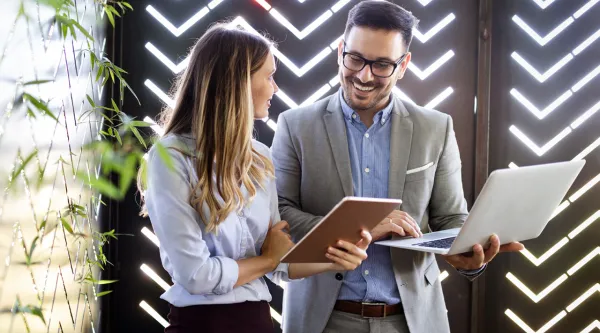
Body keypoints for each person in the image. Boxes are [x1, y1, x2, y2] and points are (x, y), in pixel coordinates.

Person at [271, 2, 524, 333]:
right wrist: (364, 227)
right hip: (322, 320)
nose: (364, 75)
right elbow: (278, 216)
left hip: (413, 321)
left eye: (382, 65)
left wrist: (468, 256)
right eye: (356, 58)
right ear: (340, 51)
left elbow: (451, 219)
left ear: (403, 64)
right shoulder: (295, 125)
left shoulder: (436, 128)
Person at [139, 23, 372, 333]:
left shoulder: (260, 157)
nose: (275, 88)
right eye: (269, 76)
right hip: (202, 325)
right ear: (236, 83)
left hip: (259, 323)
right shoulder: (170, 158)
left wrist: (336, 258)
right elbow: (195, 275)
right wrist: (266, 261)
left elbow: (282, 262)